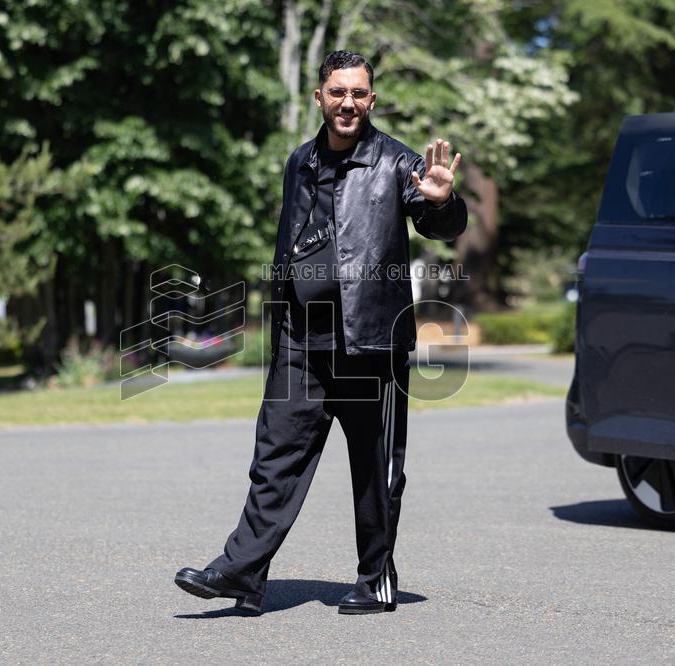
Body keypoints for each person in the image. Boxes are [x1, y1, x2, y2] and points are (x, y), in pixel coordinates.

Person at [175, 50, 467, 615]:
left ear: (372, 99)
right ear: (319, 97)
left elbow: (439, 222)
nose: (348, 103)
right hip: (300, 339)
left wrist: (443, 199)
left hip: (369, 343)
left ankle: (375, 579)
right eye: (338, 92)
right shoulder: (299, 162)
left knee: (375, 468)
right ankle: (243, 573)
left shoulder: (396, 162)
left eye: (359, 93)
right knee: (274, 456)